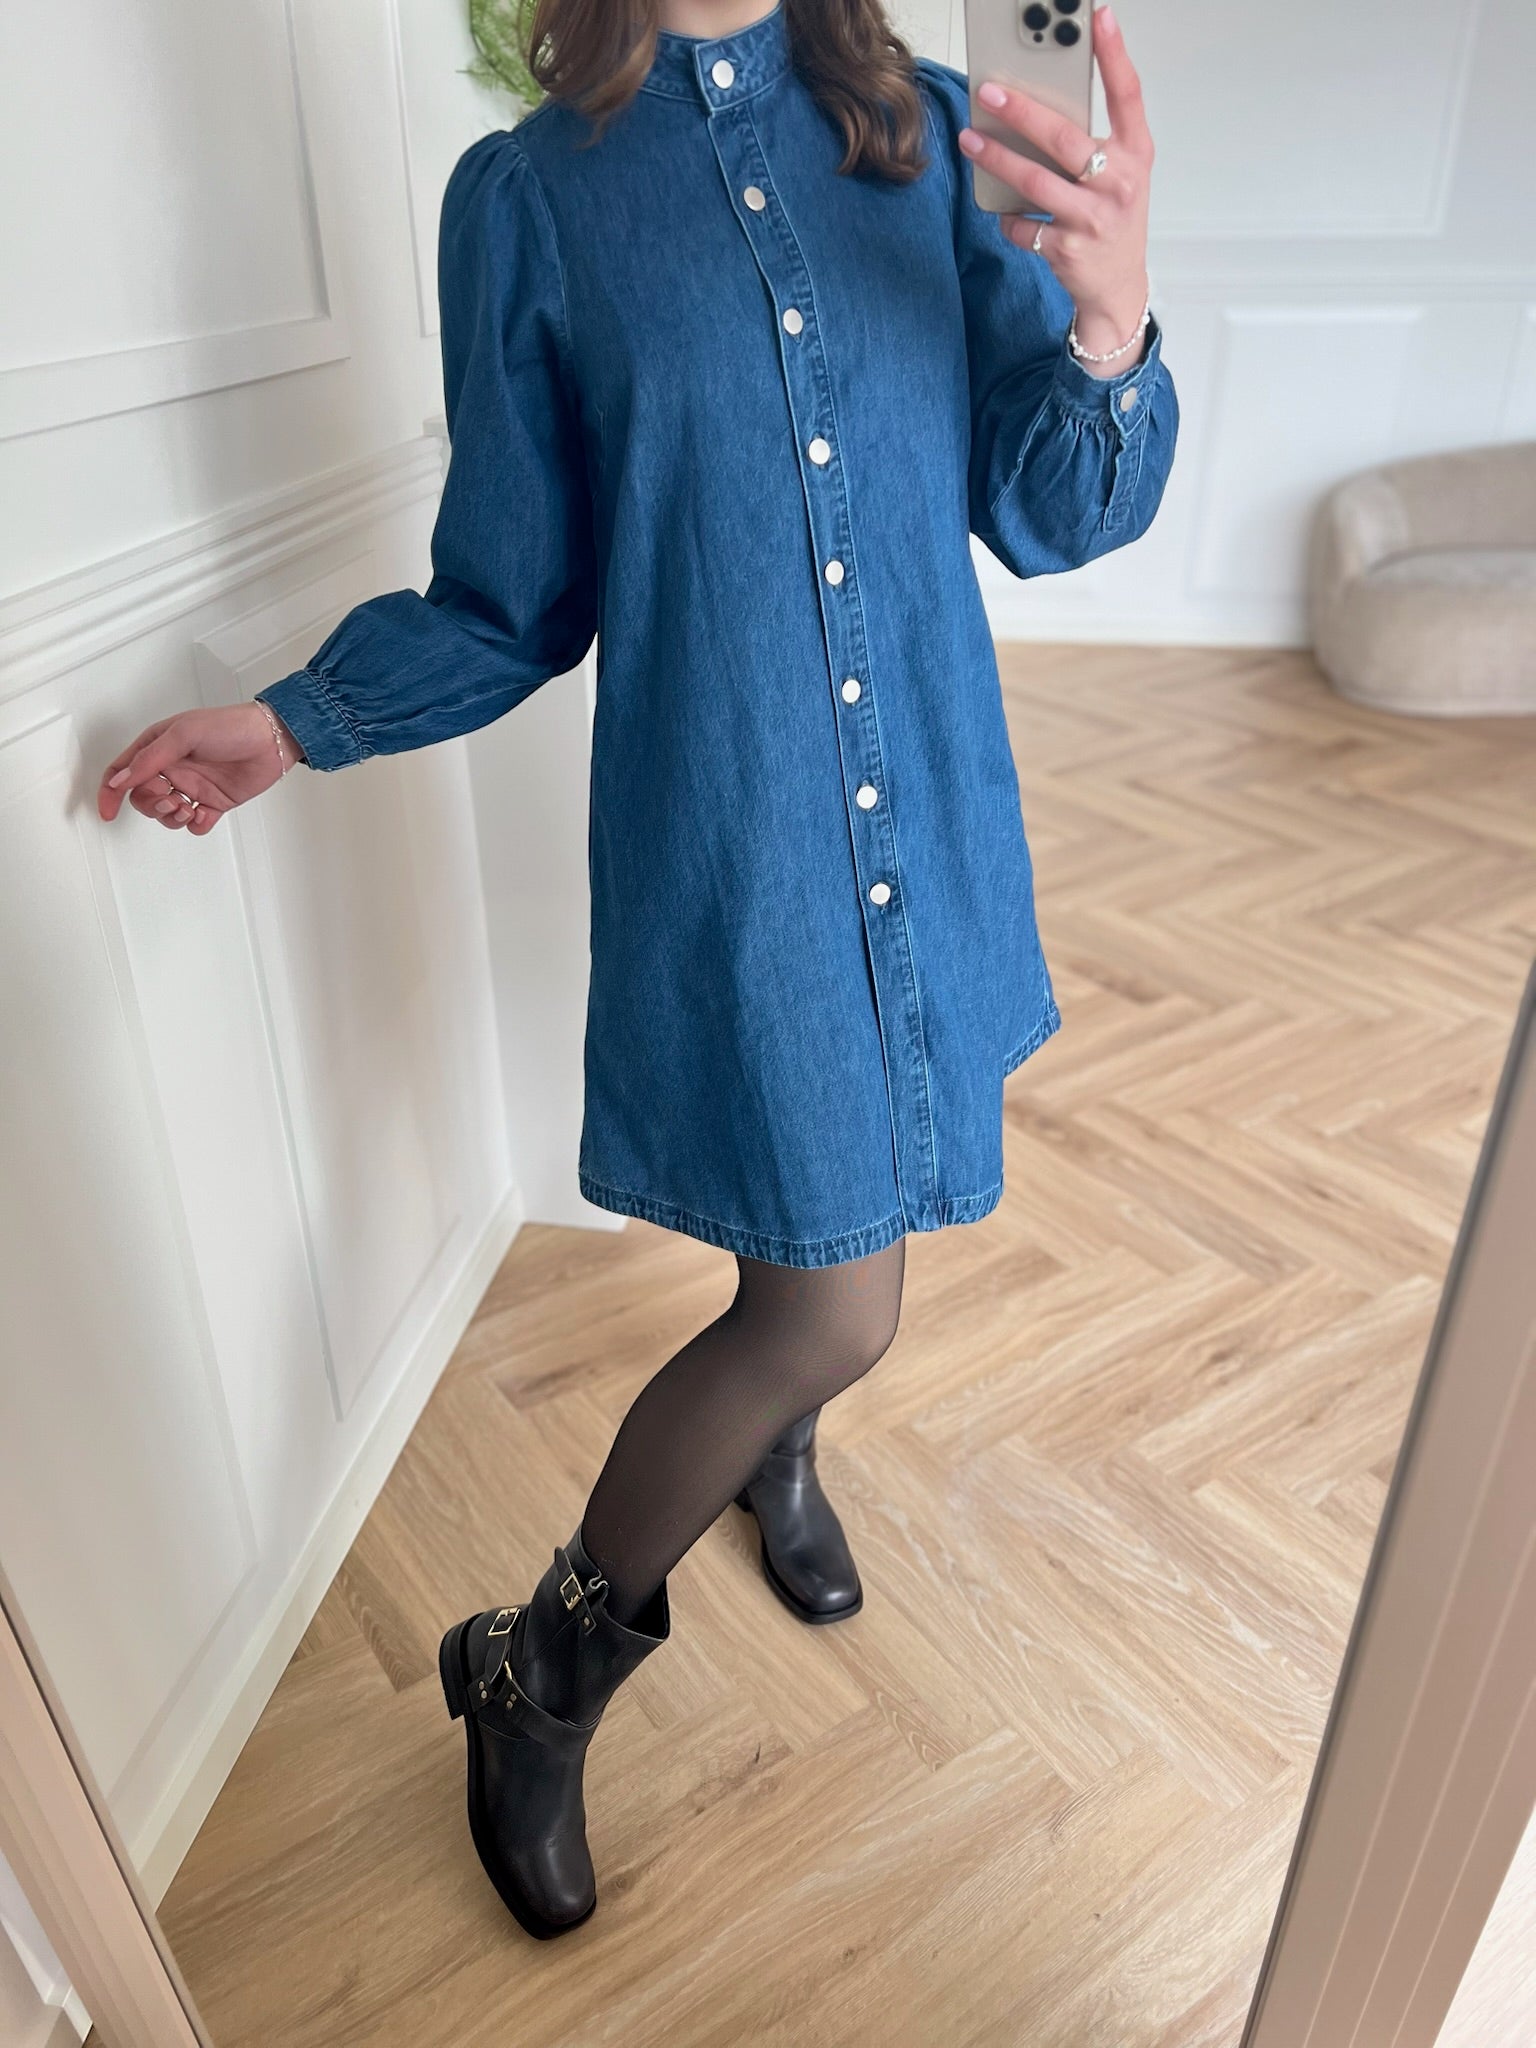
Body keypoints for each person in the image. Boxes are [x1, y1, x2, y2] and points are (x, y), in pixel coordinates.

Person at [97, 0, 1175, 1942]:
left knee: (833, 1225)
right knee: (838, 1304)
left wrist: (1109, 329)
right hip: (740, 858)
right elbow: (514, 596)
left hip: (925, 821)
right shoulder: (531, 202)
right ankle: (536, 1671)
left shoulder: (922, 137)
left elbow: (1050, 506)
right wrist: (299, 719)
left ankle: (774, 1459)